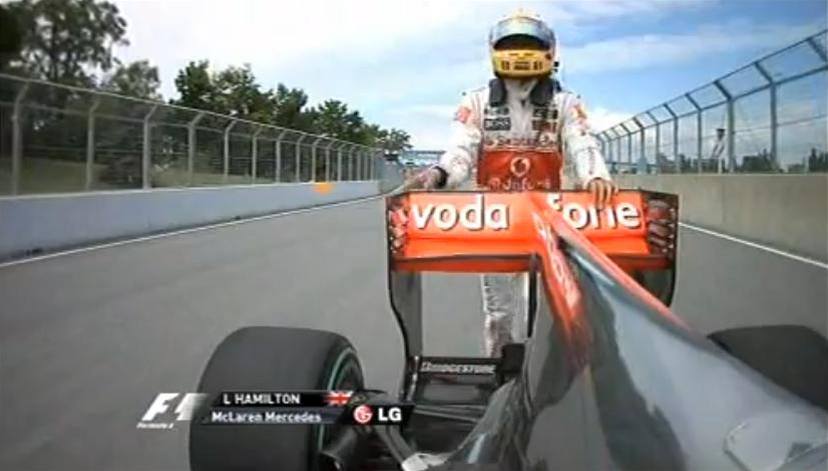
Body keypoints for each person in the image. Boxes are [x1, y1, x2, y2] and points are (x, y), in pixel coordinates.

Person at [407, 10, 618, 357]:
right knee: (499, 314)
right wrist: (438, 174)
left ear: (550, 52)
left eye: (529, 45)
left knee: (546, 310)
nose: (520, 53)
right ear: (494, 51)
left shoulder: (566, 103)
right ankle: (498, 373)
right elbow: (461, 149)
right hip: (494, 222)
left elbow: (583, 143)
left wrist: (595, 176)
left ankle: (543, 371)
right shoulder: (475, 101)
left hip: (550, 221)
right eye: (511, 45)